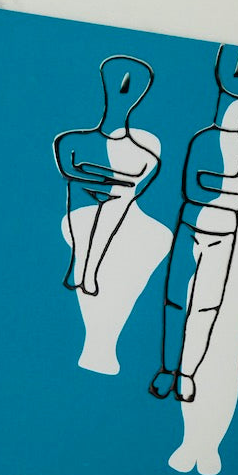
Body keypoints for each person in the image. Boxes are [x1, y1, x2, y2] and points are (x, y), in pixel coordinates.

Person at [150, 45, 238, 403]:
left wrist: (216, 187)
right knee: (175, 301)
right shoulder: (203, 139)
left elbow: (235, 197)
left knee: (206, 306)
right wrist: (225, 190)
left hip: (223, 236)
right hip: (190, 228)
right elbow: (195, 188)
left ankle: (187, 373)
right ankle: (168, 368)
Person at [54, 55, 160, 297]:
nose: (123, 92)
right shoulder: (72, 141)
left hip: (115, 199)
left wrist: (107, 182)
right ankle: (78, 265)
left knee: (112, 213)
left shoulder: (142, 154)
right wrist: (108, 181)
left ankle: (89, 272)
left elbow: (139, 181)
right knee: (83, 211)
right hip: (89, 191)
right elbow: (69, 170)